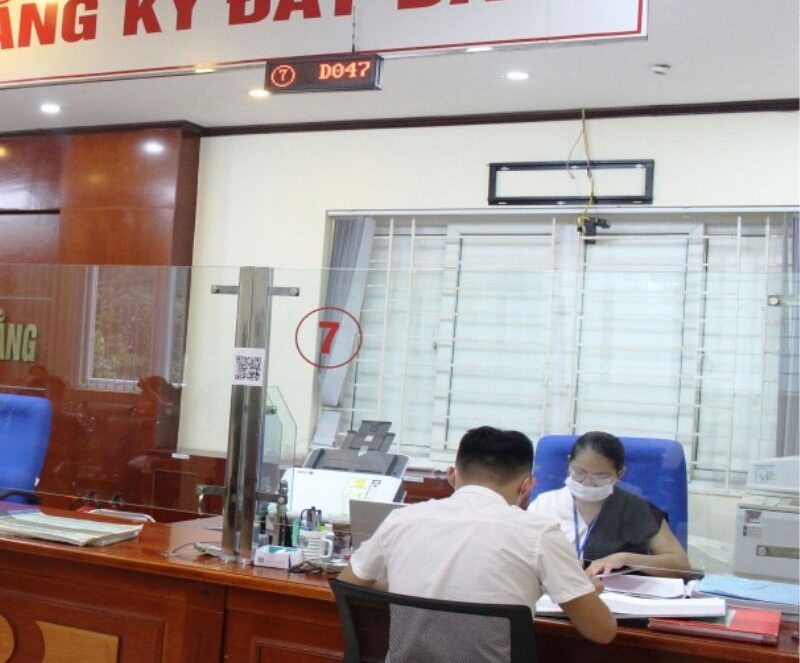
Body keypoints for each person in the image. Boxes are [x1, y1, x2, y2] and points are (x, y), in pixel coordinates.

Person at [339, 426, 617, 649]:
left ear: (452, 476)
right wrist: (576, 590)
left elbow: (349, 584)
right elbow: (602, 631)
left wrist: (410, 584)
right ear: (526, 485)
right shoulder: (539, 533)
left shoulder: (402, 519)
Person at [528, 431, 691, 578]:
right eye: (579, 472)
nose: (588, 483)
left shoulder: (636, 509)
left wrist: (625, 558)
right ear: (569, 463)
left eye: (601, 477)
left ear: (619, 474)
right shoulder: (544, 504)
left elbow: (681, 565)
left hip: (613, 596)